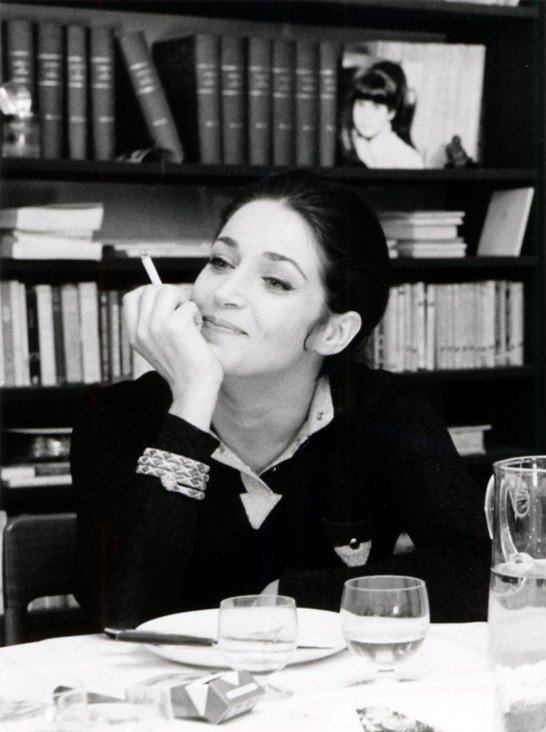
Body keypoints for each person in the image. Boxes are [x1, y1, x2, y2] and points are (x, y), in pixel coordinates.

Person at [72, 171, 489, 629]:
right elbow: (123, 615)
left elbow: (479, 571)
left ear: (333, 332)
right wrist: (192, 399)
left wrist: (291, 600)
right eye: (221, 262)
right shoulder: (116, 416)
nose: (224, 293)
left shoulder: (386, 412)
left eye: (275, 281)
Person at [340, 60, 424, 169]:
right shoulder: (351, 143)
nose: (366, 115)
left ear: (391, 112)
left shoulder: (408, 159)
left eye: (376, 107)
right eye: (361, 104)